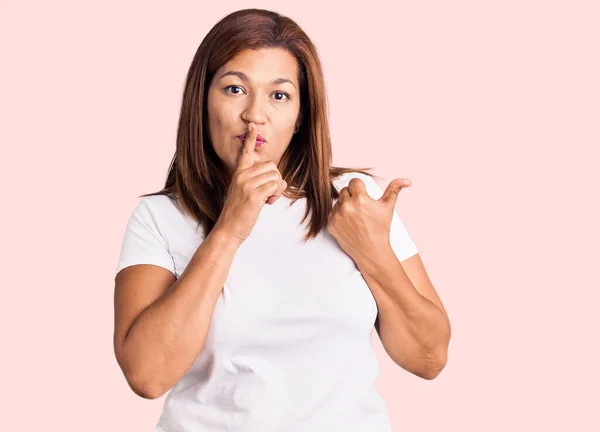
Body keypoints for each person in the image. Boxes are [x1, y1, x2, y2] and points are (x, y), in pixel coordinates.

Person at [113, 8, 451, 432]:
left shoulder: (354, 201)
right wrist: (231, 227)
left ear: (301, 115)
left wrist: (374, 252)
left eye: (279, 95)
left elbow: (430, 358)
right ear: (202, 100)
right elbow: (147, 375)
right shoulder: (159, 218)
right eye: (235, 89)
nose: (255, 115)